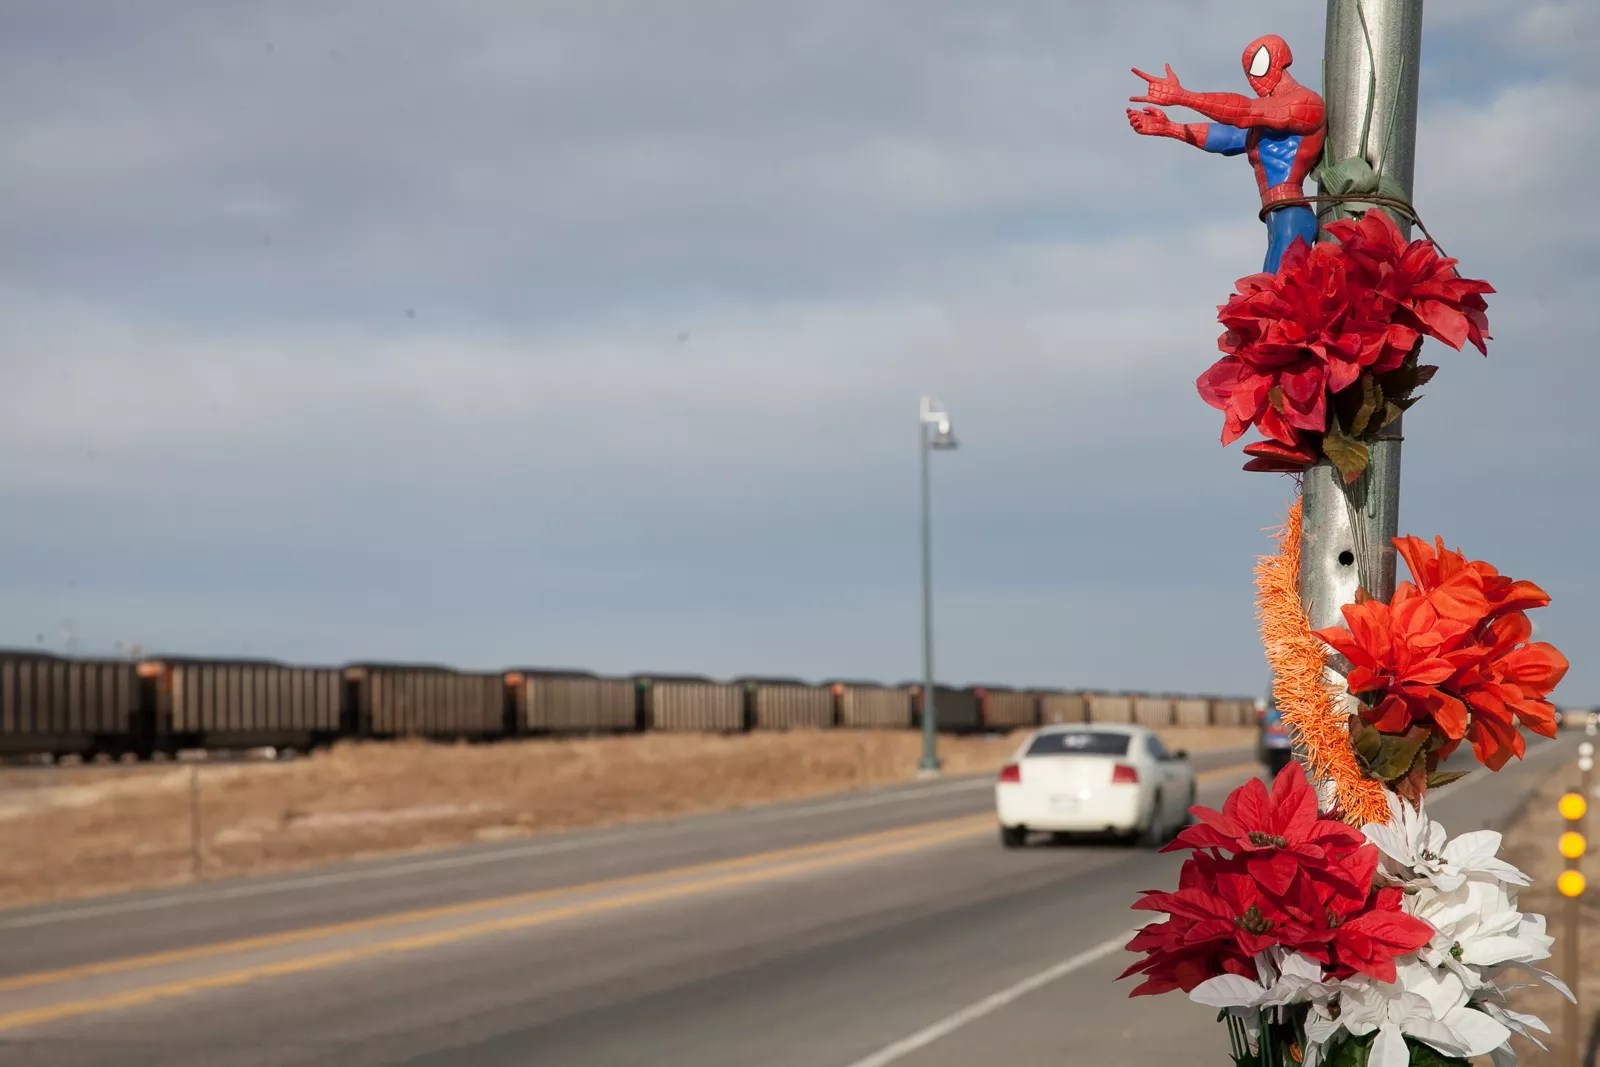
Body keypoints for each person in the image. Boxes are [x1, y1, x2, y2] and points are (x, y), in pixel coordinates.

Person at [1126, 34, 1326, 274]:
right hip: (1276, 216)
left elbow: (1244, 112)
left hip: (1291, 214)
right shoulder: (1266, 122)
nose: (1253, 77)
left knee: (1278, 294)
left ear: (1279, 60)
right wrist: (1170, 128)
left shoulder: (1304, 103)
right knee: (1267, 294)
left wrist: (1183, 97)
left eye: (1259, 64)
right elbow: (1229, 137)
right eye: (1249, 70)